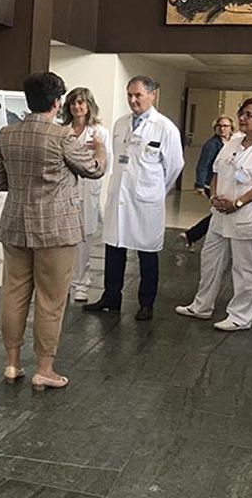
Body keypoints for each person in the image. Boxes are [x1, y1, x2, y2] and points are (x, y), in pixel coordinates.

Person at [0, 71, 106, 390]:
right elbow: (94, 170)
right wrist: (100, 150)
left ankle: (12, 364)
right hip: (56, 231)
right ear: (57, 103)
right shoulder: (62, 137)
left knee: (13, 295)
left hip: (15, 226)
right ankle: (44, 368)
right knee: (51, 299)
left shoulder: (6, 134)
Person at [174, 96, 252, 331]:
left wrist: (239, 202)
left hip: (248, 214)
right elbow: (217, 171)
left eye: (249, 115)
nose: (242, 118)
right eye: (241, 113)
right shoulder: (233, 141)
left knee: (245, 268)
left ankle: (240, 316)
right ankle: (201, 306)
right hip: (220, 212)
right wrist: (214, 197)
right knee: (210, 260)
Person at [84, 76, 184, 321]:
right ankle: (111, 296)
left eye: (138, 95)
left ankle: (146, 302)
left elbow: (174, 166)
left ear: (152, 95)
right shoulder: (120, 124)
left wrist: (156, 191)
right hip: (120, 196)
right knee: (114, 248)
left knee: (146, 253)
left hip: (145, 202)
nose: (132, 100)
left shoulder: (164, 127)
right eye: (129, 94)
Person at [59, 87, 112, 302]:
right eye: (73, 103)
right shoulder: (62, 130)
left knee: (84, 238)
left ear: (89, 105)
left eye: (81, 102)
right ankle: (67, 280)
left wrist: (99, 148)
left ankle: (81, 282)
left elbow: (105, 165)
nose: (77, 107)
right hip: (64, 191)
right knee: (65, 239)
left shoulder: (100, 132)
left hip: (88, 191)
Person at [181, 116, 233, 247]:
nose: (222, 129)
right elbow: (203, 164)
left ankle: (192, 235)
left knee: (218, 213)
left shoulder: (232, 143)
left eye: (225, 126)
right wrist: (199, 184)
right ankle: (192, 235)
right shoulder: (211, 144)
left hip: (225, 184)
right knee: (219, 212)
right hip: (212, 183)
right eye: (219, 126)